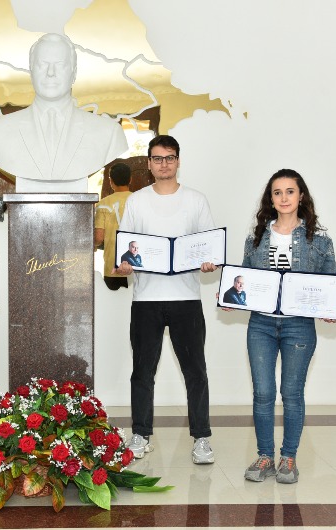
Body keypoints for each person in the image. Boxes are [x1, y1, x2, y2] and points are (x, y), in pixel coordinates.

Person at [235, 168, 336, 484]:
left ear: (301, 196)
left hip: (299, 327)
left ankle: (288, 458)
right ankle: (264, 457)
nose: (284, 198)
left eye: (290, 191)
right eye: (277, 192)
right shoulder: (256, 237)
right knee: (263, 393)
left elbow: (331, 281)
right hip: (261, 325)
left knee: (292, 393)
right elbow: (245, 279)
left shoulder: (320, 240)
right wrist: (232, 297)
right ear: (270, 199)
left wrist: (333, 306)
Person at [113, 135, 218, 464]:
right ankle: (141, 434)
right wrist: (125, 265)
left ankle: (202, 438)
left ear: (178, 161)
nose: (164, 164)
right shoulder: (137, 202)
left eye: (169, 157)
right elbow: (125, 252)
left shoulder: (196, 200)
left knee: (195, 371)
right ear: (149, 163)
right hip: (146, 300)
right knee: (142, 372)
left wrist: (209, 262)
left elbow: (209, 248)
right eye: (157, 158)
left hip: (186, 298)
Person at [0, 33, 127, 193]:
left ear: (74, 73)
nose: (50, 72)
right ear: (31, 71)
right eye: (42, 64)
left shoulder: (109, 133)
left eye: (60, 65)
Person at [95, 163, 132, 290]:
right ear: (130, 179)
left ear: (111, 181)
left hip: (113, 266)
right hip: (136, 266)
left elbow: (99, 237)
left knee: (113, 302)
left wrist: (94, 245)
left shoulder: (103, 204)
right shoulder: (139, 201)